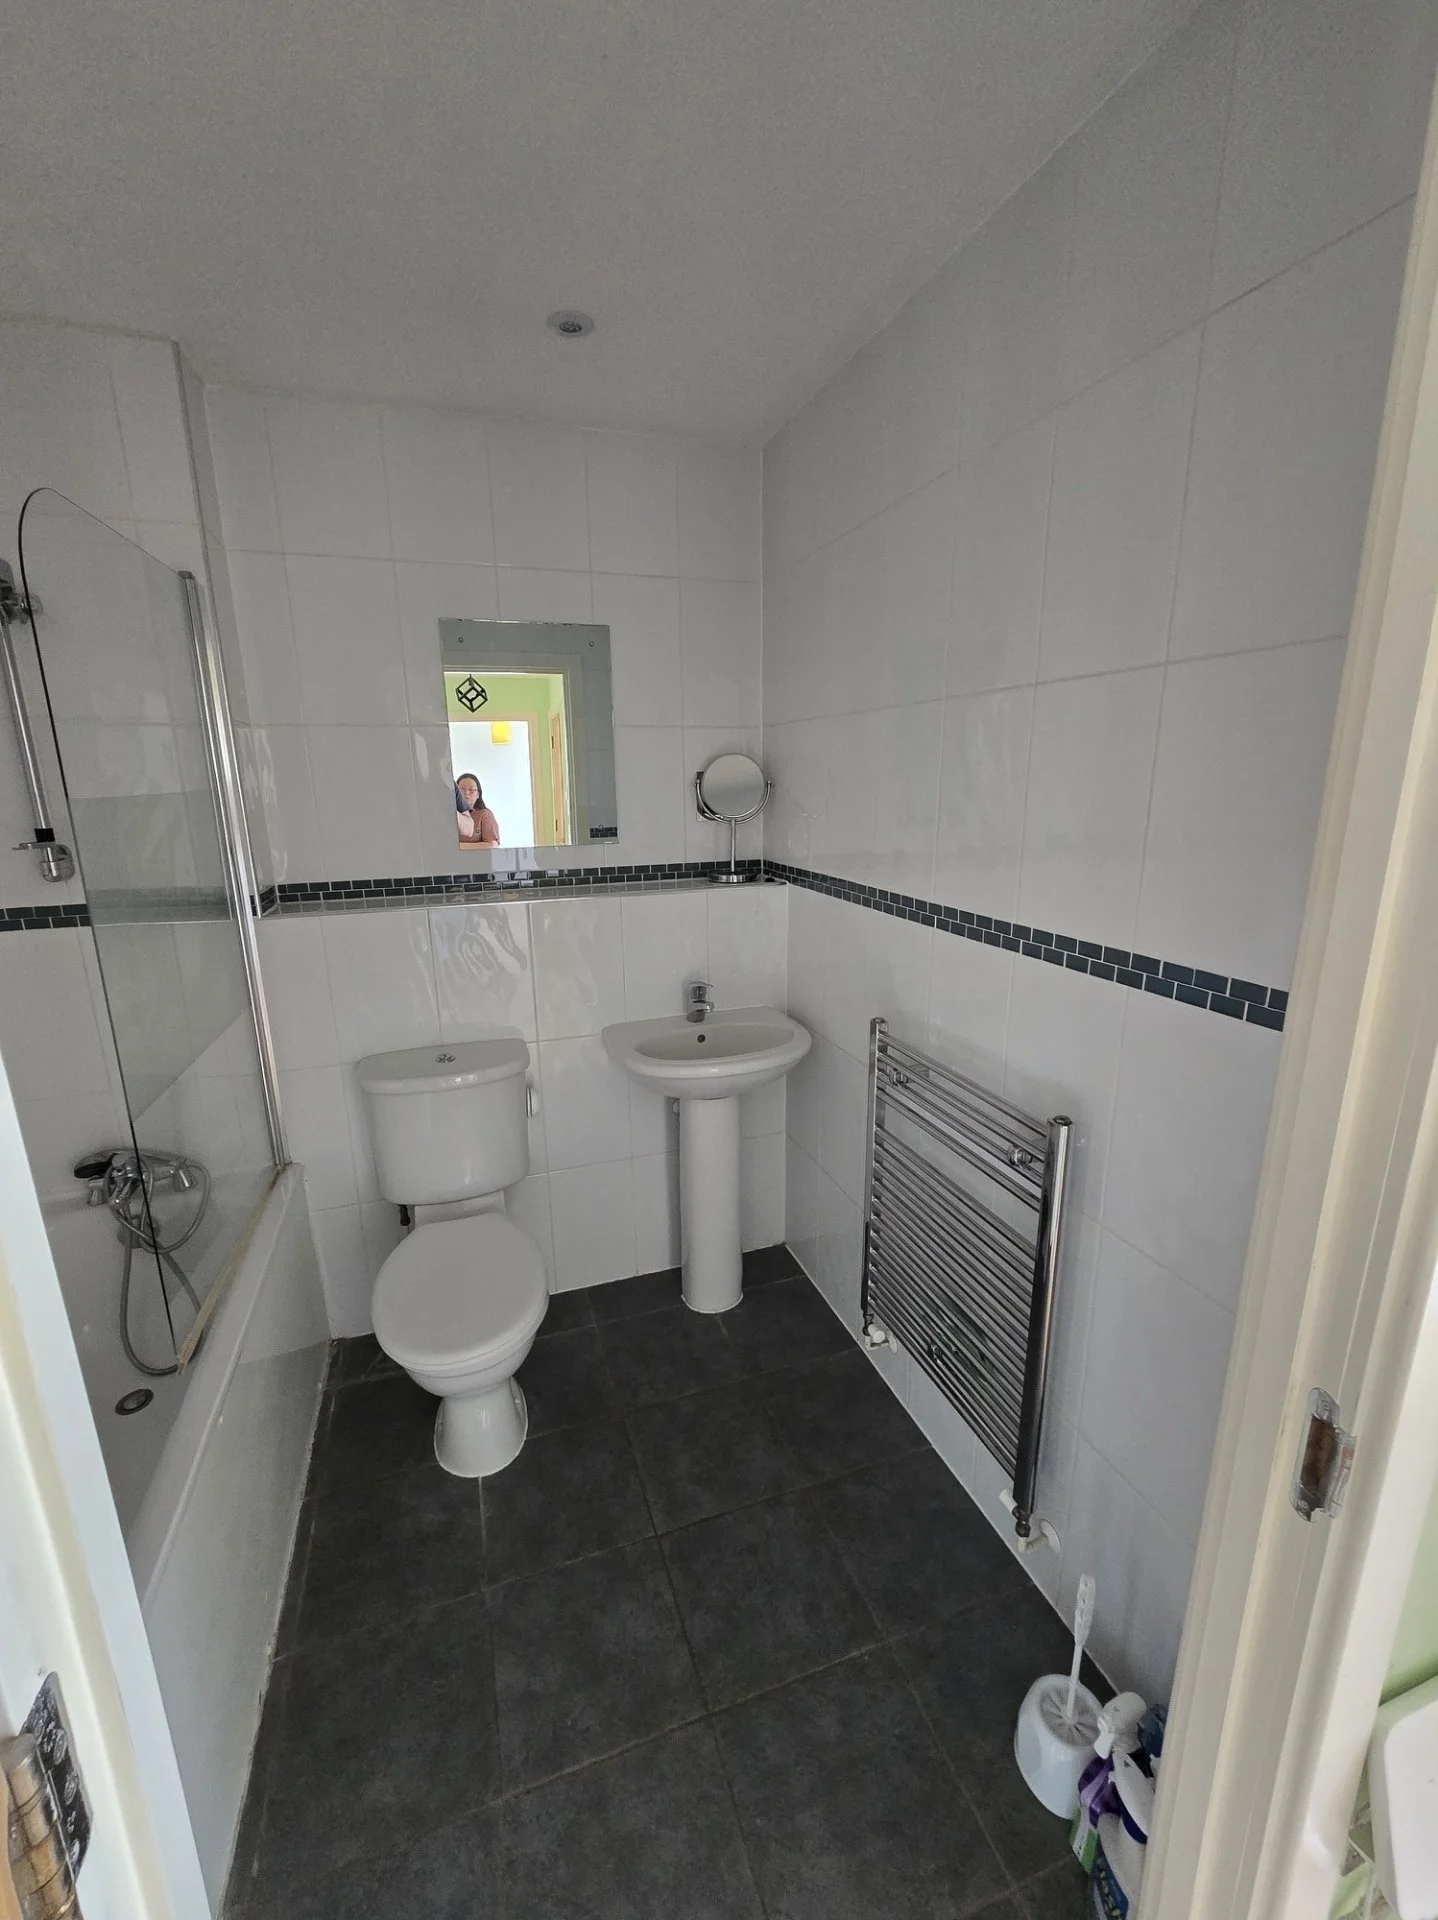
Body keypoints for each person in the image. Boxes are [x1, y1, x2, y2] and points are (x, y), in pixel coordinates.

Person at [455, 773, 501, 845]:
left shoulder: (484, 814)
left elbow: (492, 844)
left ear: (478, 795)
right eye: (462, 789)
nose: (466, 793)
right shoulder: (450, 813)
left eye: (472, 790)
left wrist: (458, 847)